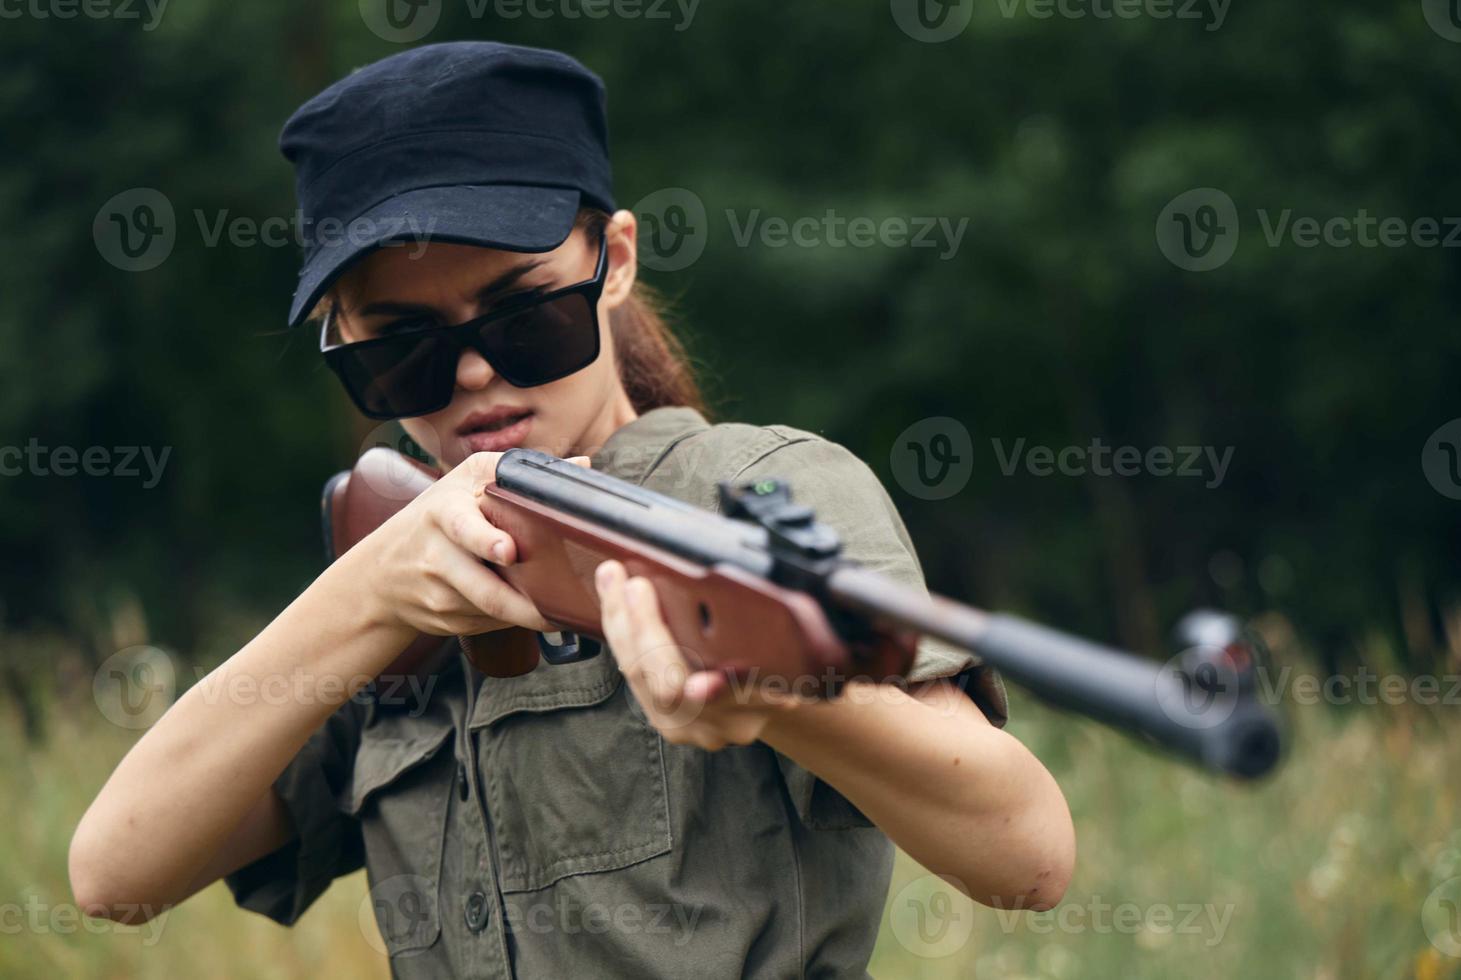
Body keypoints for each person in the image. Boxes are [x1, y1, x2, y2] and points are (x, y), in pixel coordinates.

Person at [69, 41, 1074, 978]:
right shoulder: (398, 579)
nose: (473, 373)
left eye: (526, 311)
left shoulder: (762, 494)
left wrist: (782, 699)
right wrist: (369, 596)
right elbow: (114, 872)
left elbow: (1026, 853)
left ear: (617, 259)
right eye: (400, 347)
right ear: (340, 339)